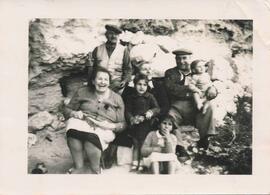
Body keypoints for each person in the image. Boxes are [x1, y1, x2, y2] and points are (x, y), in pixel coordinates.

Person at [64, 67, 126, 174]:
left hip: (104, 128)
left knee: (91, 140)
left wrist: (111, 126)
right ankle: (79, 167)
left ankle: (95, 169)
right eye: (99, 79)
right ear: (93, 81)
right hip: (84, 122)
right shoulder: (82, 92)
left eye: (106, 79)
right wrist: (74, 113)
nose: (102, 82)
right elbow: (66, 109)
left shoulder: (116, 98)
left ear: (109, 82)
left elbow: (123, 124)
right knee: (72, 133)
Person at [164, 49, 218, 150]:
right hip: (178, 106)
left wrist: (213, 90)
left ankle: (204, 139)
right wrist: (190, 89)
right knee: (170, 116)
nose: (181, 61)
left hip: (195, 105)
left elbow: (209, 84)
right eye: (178, 59)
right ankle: (179, 146)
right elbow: (171, 89)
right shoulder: (171, 73)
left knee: (209, 107)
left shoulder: (199, 71)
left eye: (184, 58)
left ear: (190, 59)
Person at [125, 74, 160, 172]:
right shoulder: (131, 97)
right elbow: (127, 111)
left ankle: (142, 162)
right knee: (136, 144)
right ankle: (134, 162)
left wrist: (151, 112)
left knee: (143, 144)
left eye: (144, 85)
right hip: (135, 125)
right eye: (139, 84)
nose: (141, 87)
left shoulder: (149, 97)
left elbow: (157, 108)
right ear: (134, 85)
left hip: (146, 125)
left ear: (147, 86)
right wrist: (131, 119)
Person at [90, 24, 132, 93]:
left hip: (116, 83)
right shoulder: (97, 49)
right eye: (111, 34)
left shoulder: (123, 50)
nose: (113, 36)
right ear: (106, 35)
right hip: (100, 82)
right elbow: (92, 68)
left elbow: (128, 69)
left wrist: (124, 81)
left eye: (116, 34)